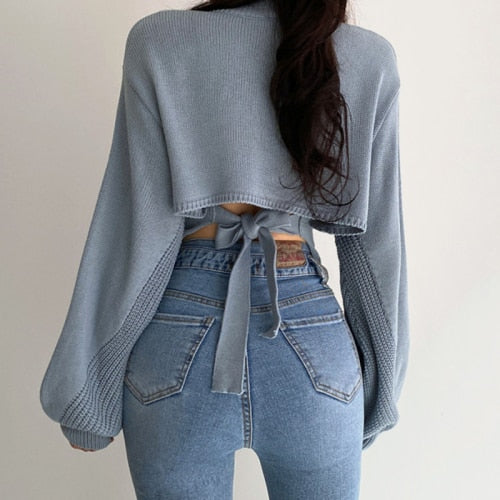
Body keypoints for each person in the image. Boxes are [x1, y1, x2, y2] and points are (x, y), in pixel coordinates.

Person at [39, 1, 410, 498]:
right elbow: (376, 249)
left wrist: (87, 394)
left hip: (178, 335)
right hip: (312, 344)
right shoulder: (368, 56)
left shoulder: (160, 39)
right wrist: (382, 391)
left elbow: (134, 229)